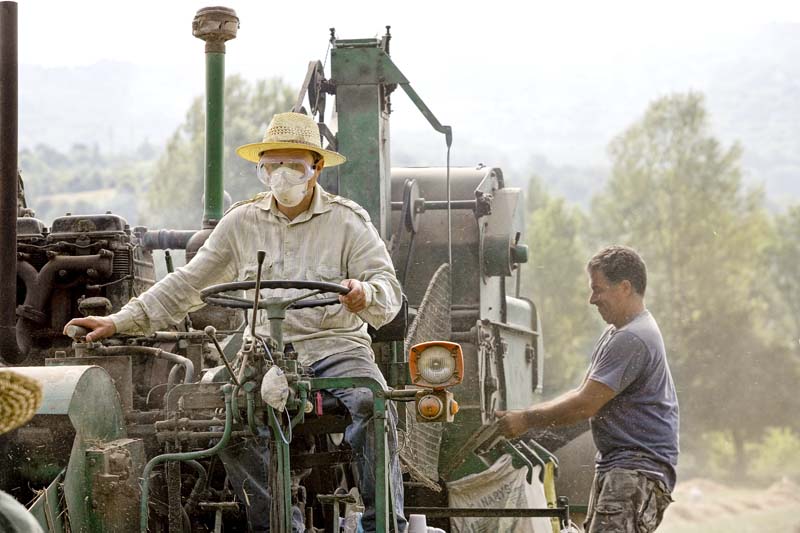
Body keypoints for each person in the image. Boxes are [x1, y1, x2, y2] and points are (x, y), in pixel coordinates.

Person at [65, 111, 407, 533]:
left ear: (315, 168)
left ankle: (383, 524)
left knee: (372, 404)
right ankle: (280, 525)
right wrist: (119, 321)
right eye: (273, 167)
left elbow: (386, 287)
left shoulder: (347, 221)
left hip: (337, 347)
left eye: (294, 166)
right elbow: (188, 283)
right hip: (264, 352)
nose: (283, 176)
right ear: (261, 170)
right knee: (224, 416)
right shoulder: (241, 222)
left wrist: (365, 293)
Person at [495, 245, 678, 533]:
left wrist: (525, 420)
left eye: (598, 289)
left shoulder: (633, 338)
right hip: (621, 466)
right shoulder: (617, 333)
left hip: (634, 469)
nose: (592, 299)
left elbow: (584, 405)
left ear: (625, 287)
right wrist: (527, 419)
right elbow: (582, 392)